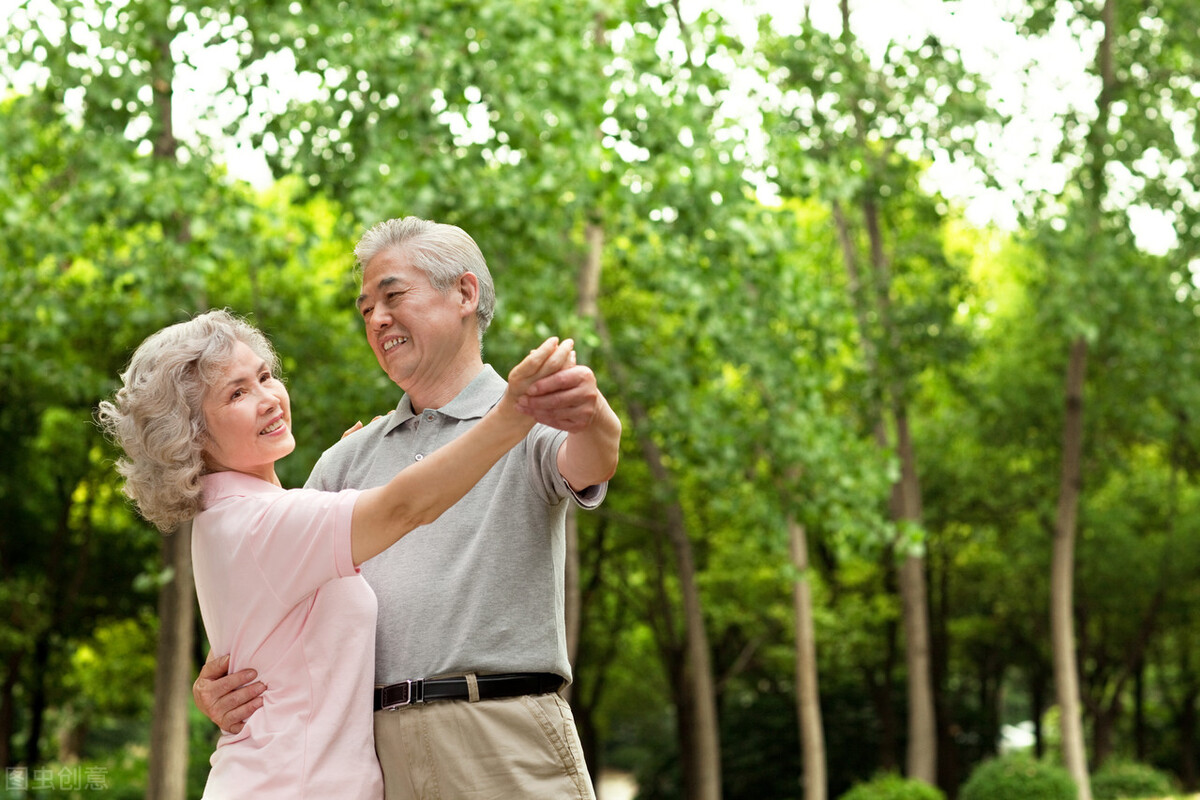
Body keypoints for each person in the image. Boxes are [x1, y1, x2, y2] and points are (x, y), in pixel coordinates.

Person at [195, 217, 622, 799]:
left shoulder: (526, 415)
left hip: (500, 736)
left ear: (465, 294)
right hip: (372, 757)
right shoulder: (344, 461)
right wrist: (217, 684)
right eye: (365, 307)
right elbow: (281, 607)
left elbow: (591, 460)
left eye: (393, 295)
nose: (376, 319)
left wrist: (595, 416)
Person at [97, 308, 575, 799]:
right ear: (191, 435)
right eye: (237, 394)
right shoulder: (260, 525)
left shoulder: (239, 518)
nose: (267, 399)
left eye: (264, 377)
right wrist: (511, 417)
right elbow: (404, 508)